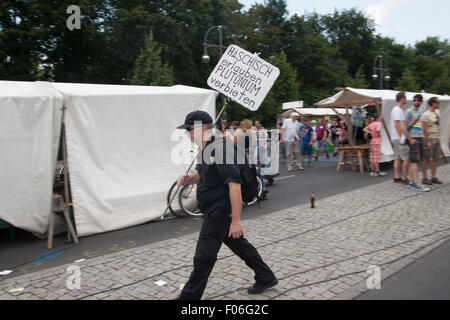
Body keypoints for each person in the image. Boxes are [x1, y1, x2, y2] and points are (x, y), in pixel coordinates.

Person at [175, 110, 277, 300]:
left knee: (203, 257)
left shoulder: (221, 149)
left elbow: (235, 186)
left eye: (189, 129)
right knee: (240, 245)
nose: (186, 133)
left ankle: (188, 299)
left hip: (219, 211)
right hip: (213, 208)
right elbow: (202, 174)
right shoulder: (205, 149)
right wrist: (189, 179)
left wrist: (236, 221)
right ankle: (266, 276)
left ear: (201, 128)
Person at [390, 91, 412, 185]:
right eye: (405, 98)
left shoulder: (396, 109)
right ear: (402, 99)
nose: (406, 100)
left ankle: (396, 176)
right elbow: (397, 124)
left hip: (395, 137)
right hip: (398, 137)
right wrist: (401, 138)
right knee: (406, 158)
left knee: (398, 157)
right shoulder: (398, 110)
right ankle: (404, 177)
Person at [421, 96, 443, 185]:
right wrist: (428, 141)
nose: (438, 104)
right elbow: (424, 129)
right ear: (433, 103)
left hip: (436, 137)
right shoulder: (426, 114)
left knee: (435, 157)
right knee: (426, 158)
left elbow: (437, 123)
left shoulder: (437, 112)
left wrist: (439, 130)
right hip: (429, 137)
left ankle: (433, 176)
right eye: (437, 102)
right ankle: (424, 177)